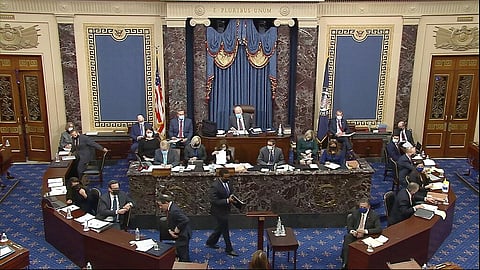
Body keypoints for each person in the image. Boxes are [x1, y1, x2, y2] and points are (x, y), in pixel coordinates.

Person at [206, 168, 239, 257]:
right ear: (220, 176)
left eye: (228, 177)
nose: (227, 179)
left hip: (226, 209)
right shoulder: (215, 186)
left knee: (220, 228)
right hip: (218, 211)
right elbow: (214, 201)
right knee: (225, 230)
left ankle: (210, 242)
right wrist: (227, 200)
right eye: (225, 178)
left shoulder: (229, 182)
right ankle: (229, 249)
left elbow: (230, 193)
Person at [341, 198, 382, 269]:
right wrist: (353, 232)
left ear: (368, 207)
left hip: (366, 235)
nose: (362, 209)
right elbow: (349, 227)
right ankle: (345, 262)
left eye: (364, 207)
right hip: (355, 234)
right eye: (361, 207)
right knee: (347, 237)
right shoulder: (355, 213)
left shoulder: (374, 215)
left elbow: (379, 229)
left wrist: (365, 231)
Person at [156, 194, 192, 262]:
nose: (160, 207)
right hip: (180, 233)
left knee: (183, 254)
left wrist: (178, 228)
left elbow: (186, 220)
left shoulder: (174, 211)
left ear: (166, 203)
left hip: (183, 234)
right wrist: (170, 230)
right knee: (180, 251)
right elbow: (170, 220)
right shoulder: (171, 207)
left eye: (161, 205)